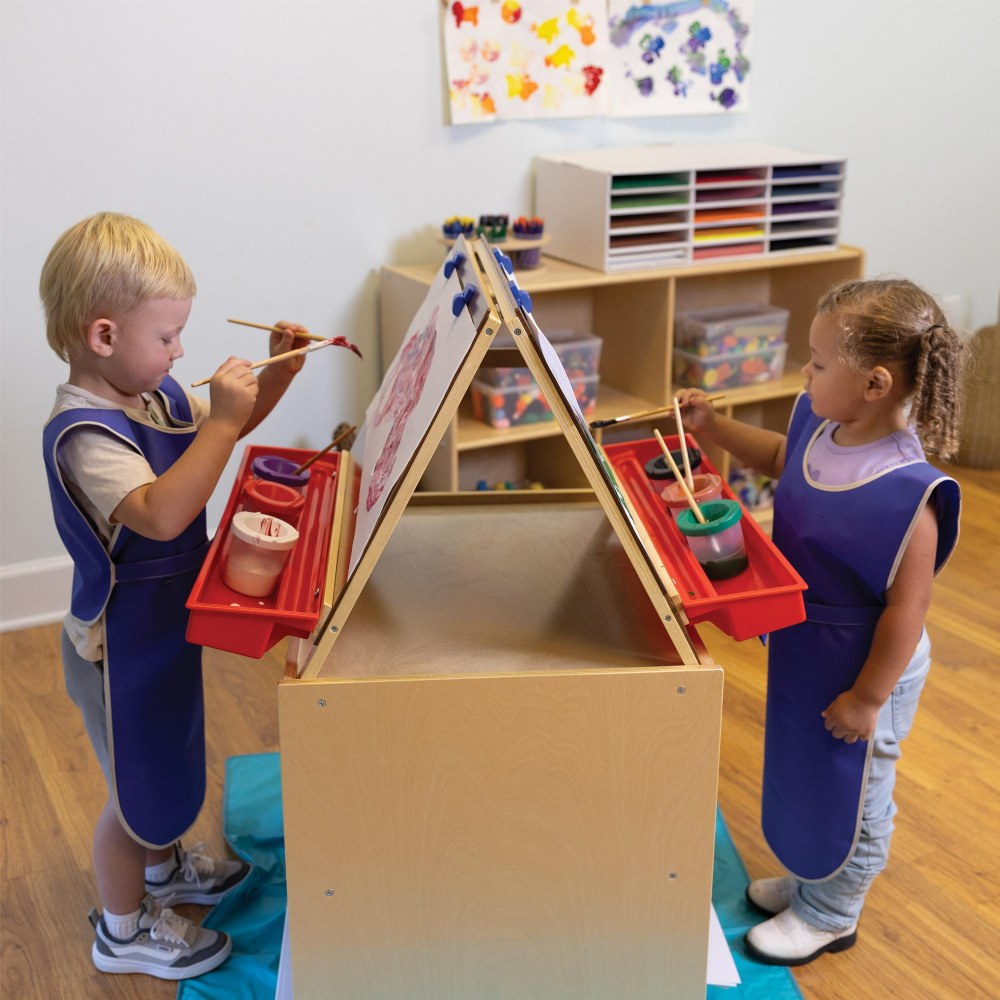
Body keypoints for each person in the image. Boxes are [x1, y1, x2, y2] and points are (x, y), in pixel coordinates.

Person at [40, 212, 311, 980]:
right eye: (167, 336)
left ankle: (163, 871)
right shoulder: (86, 434)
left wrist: (277, 376)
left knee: (168, 753)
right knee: (136, 794)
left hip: (163, 622)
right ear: (102, 336)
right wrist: (221, 420)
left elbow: (212, 445)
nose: (180, 352)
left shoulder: (151, 394)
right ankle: (121, 928)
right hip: (115, 645)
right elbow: (162, 513)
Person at [676, 278, 963, 966]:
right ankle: (814, 877)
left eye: (819, 362)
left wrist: (867, 698)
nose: (805, 372)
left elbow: (908, 610)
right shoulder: (820, 424)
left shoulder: (910, 494)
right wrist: (712, 426)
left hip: (872, 667)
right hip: (810, 645)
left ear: (874, 384)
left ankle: (833, 911)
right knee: (806, 769)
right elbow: (782, 459)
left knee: (854, 789)